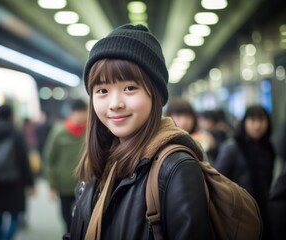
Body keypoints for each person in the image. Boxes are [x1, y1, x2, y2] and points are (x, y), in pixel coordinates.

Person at [68, 24, 210, 239]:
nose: (115, 104)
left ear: (156, 95)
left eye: (130, 88)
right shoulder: (103, 157)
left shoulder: (176, 168)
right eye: (102, 91)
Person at [214, 105, 275, 239]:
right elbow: (217, 181)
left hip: (263, 211)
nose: (257, 125)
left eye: (261, 120)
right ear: (245, 122)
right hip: (238, 213)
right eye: (253, 120)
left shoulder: (269, 148)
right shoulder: (232, 147)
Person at [0, 104, 35, 240]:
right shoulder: (16, 133)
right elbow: (23, 160)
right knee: (15, 215)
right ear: (11, 116)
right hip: (15, 181)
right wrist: (30, 182)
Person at [43, 99, 87, 233]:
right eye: (76, 112)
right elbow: (50, 159)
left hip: (86, 184)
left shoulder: (92, 131)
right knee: (67, 219)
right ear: (71, 113)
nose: (79, 116)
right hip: (64, 185)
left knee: (85, 218)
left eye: (82, 112)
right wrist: (52, 186)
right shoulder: (59, 131)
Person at [165, 97, 216, 163]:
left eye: (187, 116)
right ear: (169, 117)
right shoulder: (165, 141)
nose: (184, 121)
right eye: (178, 115)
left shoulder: (201, 137)